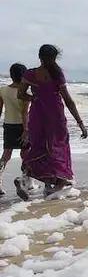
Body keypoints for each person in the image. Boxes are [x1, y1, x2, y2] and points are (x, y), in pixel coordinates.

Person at [15, 45, 88, 200]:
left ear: (39, 56)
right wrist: (80, 122)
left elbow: (20, 94)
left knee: (39, 147)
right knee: (57, 147)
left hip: (37, 114)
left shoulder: (30, 74)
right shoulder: (57, 74)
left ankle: (28, 180)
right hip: (55, 114)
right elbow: (68, 99)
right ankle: (52, 186)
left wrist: (34, 98)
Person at [0, 63, 30, 195]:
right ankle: (24, 181)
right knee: (26, 155)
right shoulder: (24, 92)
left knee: (6, 155)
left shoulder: (2, 90)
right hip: (22, 125)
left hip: (8, 124)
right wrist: (26, 130)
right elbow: (25, 113)